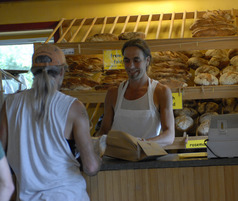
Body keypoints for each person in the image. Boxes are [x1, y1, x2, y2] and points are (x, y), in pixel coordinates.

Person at [0, 44, 101, 201]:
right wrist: (99, 152)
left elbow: (2, 156)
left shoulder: (10, 104)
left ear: (33, 72)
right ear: (61, 72)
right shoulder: (74, 107)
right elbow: (91, 167)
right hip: (68, 196)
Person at [95, 38, 175, 147]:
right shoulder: (113, 93)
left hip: (147, 158)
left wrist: (141, 144)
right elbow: (104, 131)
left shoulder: (161, 92)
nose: (130, 66)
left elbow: (169, 135)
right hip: (116, 159)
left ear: (147, 61)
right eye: (127, 60)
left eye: (136, 60)